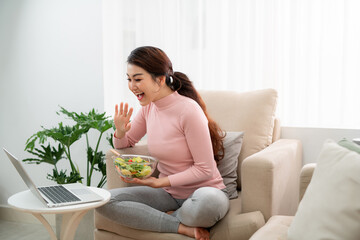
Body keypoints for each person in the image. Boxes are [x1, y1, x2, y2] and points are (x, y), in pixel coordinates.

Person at [96, 46, 229, 240]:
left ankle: (165, 219)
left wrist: (159, 182)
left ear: (160, 80)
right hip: (168, 195)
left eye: (138, 79)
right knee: (105, 201)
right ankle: (180, 226)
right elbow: (125, 145)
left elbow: (205, 169)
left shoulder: (188, 110)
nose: (132, 86)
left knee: (208, 203)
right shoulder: (149, 109)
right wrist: (120, 131)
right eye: (129, 79)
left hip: (204, 193)